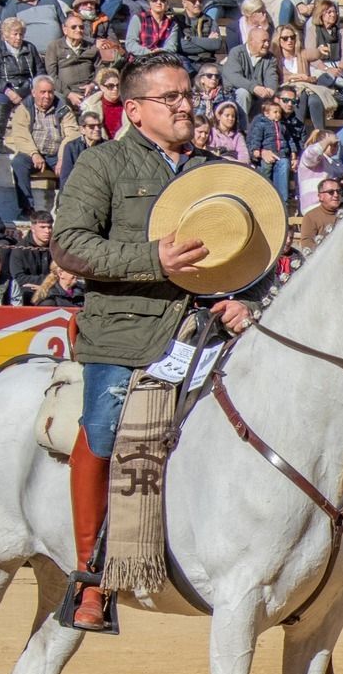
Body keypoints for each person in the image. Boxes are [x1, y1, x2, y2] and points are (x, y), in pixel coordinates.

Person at [47, 52, 274, 631]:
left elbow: (258, 255)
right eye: (171, 98)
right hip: (126, 333)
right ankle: (90, 575)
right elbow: (69, 246)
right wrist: (155, 259)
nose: (185, 105)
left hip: (208, 332)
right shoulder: (102, 164)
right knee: (101, 431)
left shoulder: (214, 170)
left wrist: (244, 299)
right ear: (136, 109)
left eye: (187, 95)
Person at [3, 74, 78, 212]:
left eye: (50, 92)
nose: (47, 96)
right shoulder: (24, 109)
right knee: (18, 163)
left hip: (56, 154)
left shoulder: (63, 109)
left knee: (71, 163)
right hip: (33, 153)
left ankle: (63, 206)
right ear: (34, 92)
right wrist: (33, 153)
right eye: (43, 92)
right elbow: (21, 135)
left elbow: (72, 134)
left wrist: (62, 157)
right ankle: (27, 207)